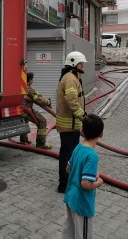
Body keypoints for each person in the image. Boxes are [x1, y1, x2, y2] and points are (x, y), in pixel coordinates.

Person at [61, 114, 104, 239]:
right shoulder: (92, 156)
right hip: (82, 204)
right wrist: (99, 182)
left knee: (70, 232)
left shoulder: (78, 148)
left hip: (70, 198)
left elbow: (68, 169)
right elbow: (86, 184)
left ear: (82, 131)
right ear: (101, 134)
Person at [56, 51, 87, 193]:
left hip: (73, 124)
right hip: (69, 124)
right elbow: (71, 100)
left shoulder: (72, 77)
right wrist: (83, 117)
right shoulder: (70, 79)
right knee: (67, 153)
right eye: (81, 63)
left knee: (73, 153)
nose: (82, 66)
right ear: (74, 63)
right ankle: (64, 183)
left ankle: (70, 179)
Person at [19, 72, 52, 150]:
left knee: (24, 121)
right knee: (42, 121)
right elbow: (39, 99)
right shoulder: (29, 89)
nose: (33, 80)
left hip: (21, 110)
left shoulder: (20, 86)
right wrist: (48, 102)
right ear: (30, 80)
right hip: (26, 110)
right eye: (32, 79)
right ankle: (41, 143)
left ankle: (23, 140)